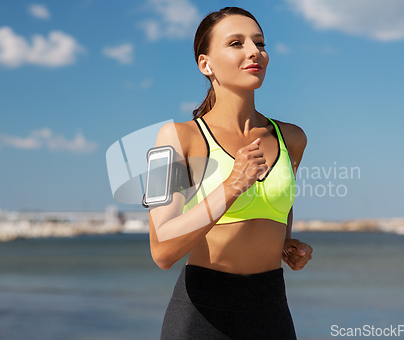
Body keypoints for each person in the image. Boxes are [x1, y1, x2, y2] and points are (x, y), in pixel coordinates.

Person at [148, 6, 312, 340]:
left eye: (259, 43)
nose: (255, 51)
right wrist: (231, 186)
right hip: (200, 316)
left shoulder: (292, 139)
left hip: (271, 311)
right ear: (205, 64)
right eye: (236, 43)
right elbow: (162, 250)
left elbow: (276, 217)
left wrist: (288, 247)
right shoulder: (175, 138)